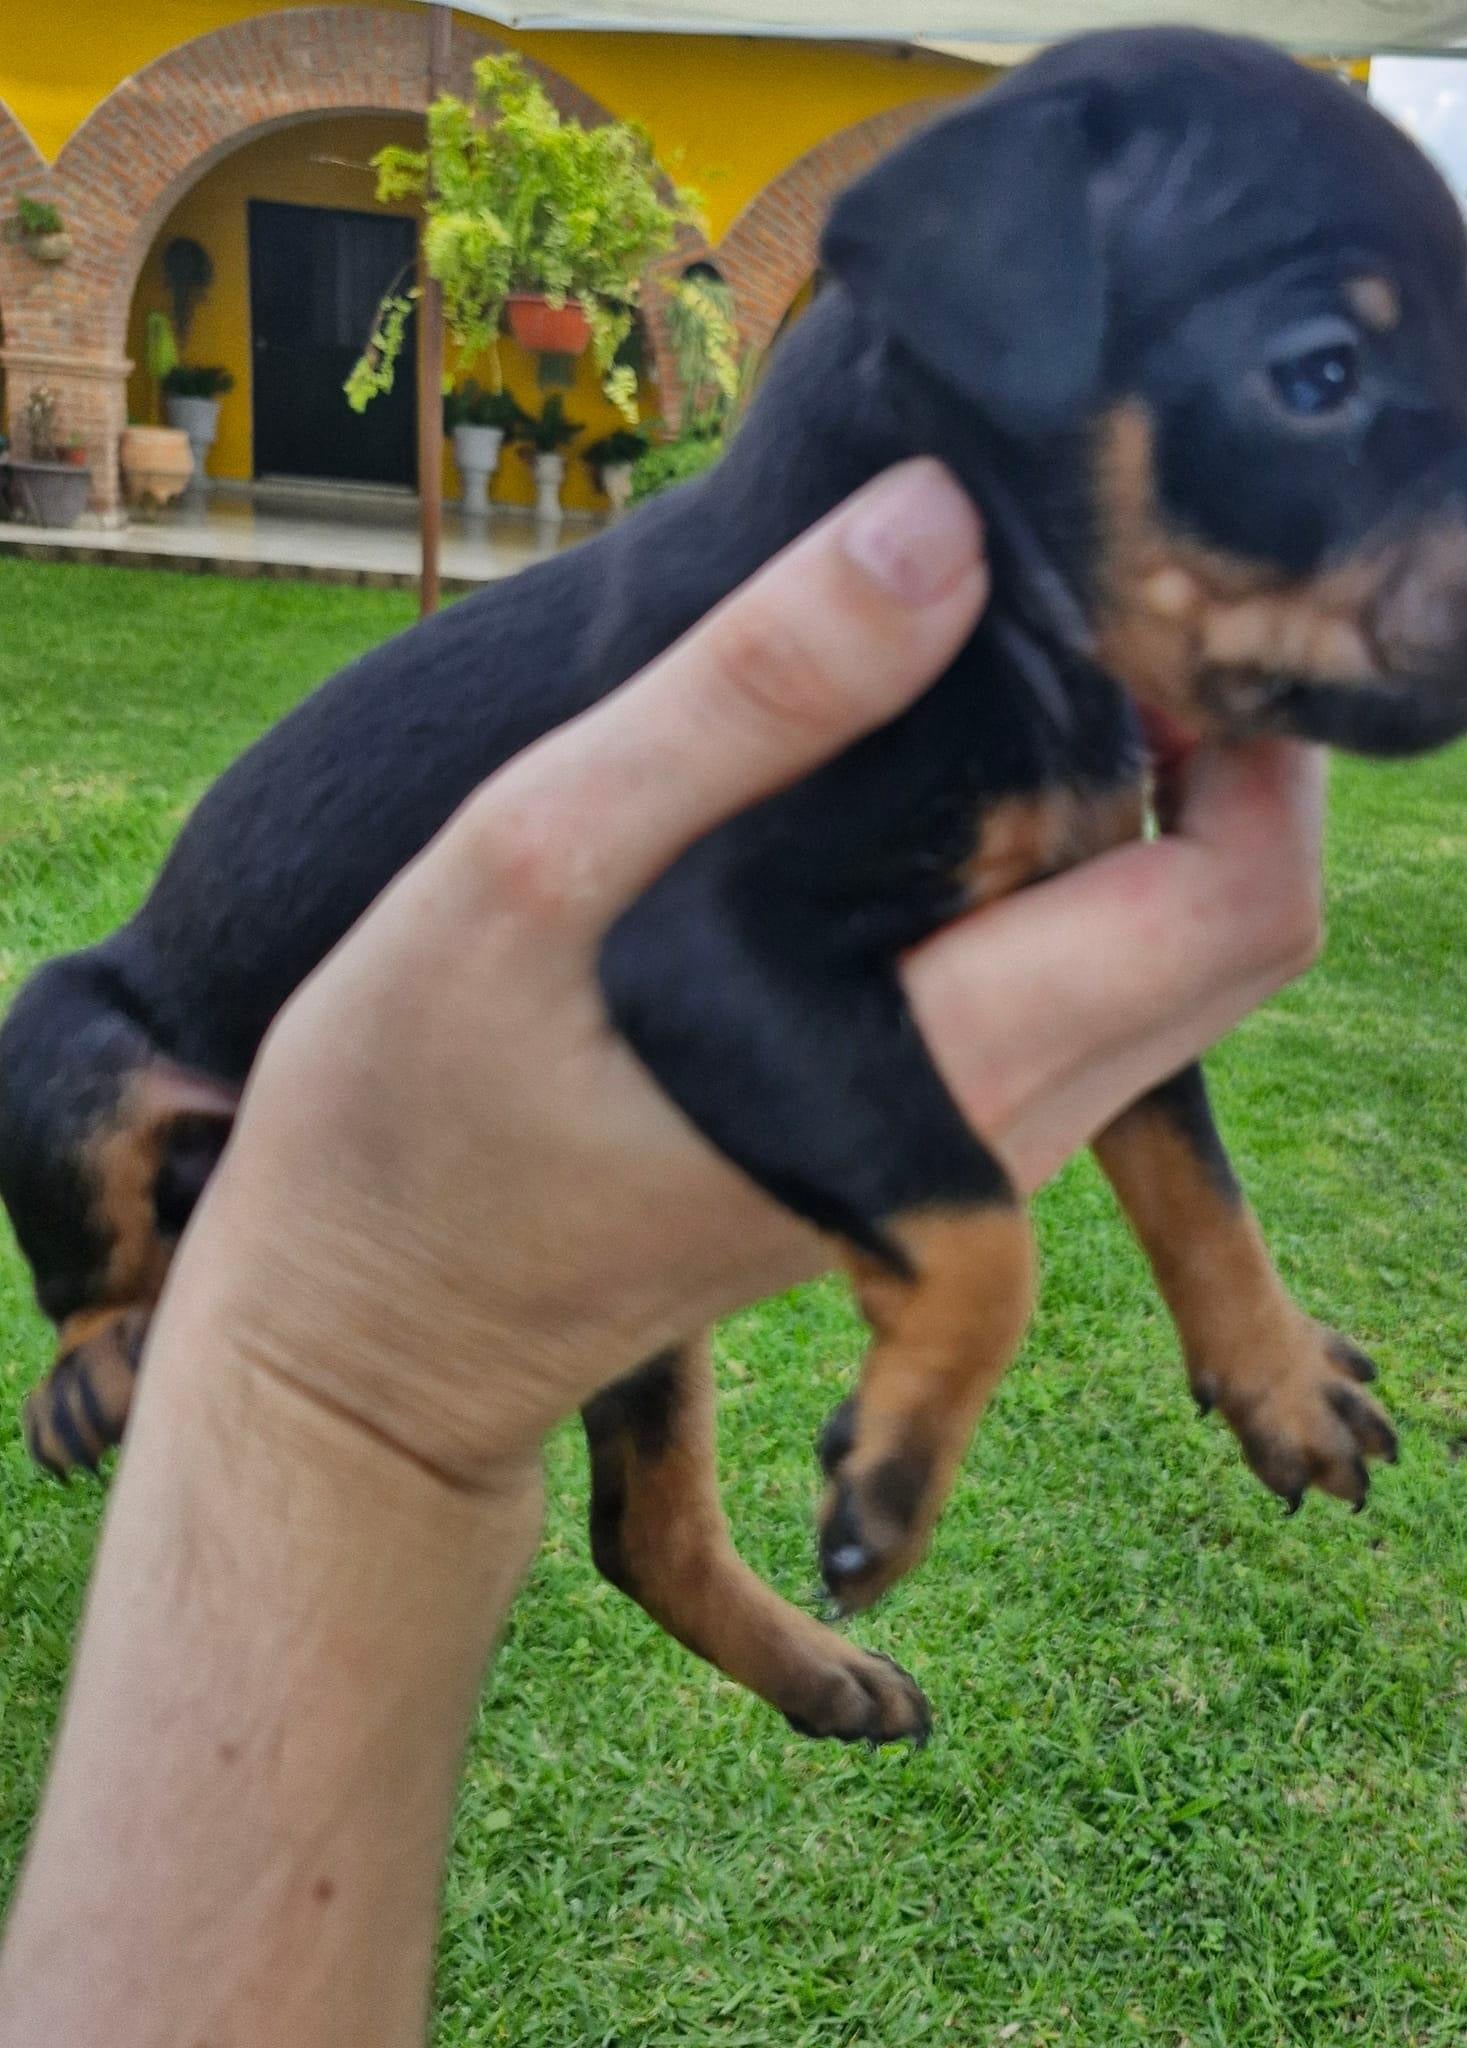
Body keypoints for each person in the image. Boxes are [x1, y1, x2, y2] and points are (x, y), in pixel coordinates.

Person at [0, 461, 1327, 2048]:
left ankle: (674, 1548)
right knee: (60, 1044)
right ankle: (106, 1305)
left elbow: (1074, 993)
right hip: (181, 1040)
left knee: (623, 1156)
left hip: (523, 1075)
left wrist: (1247, 1323)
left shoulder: (1053, 691)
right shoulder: (899, 639)